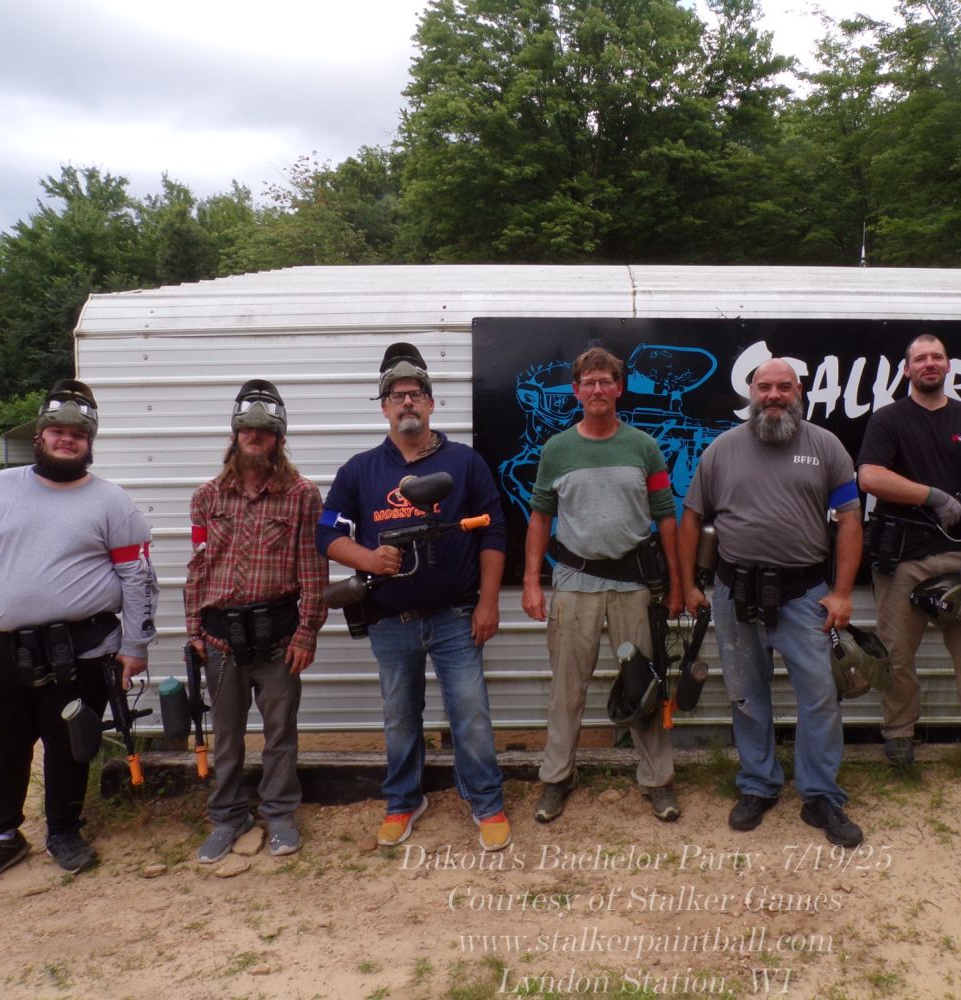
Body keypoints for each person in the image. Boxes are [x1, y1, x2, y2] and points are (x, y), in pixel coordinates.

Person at [317, 343, 511, 852]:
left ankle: (486, 802)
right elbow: (326, 533)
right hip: (389, 619)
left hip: (456, 616)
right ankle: (403, 800)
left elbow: (493, 532)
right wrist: (368, 559)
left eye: (416, 394)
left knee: (471, 713)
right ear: (384, 407)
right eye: (397, 395)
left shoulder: (464, 462)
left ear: (431, 404)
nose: (407, 402)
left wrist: (489, 602)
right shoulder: (359, 470)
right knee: (400, 718)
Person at [680, 358, 864, 847]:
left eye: (784, 387)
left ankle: (820, 795)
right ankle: (758, 784)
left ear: (798, 392)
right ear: (752, 392)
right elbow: (691, 517)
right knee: (746, 695)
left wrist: (843, 593)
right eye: (765, 387)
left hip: (805, 596)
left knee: (820, 696)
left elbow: (850, 519)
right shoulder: (721, 450)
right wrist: (689, 585)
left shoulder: (826, 447)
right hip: (734, 594)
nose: (774, 395)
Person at [0, 380, 157, 884]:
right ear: (40, 435)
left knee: (69, 744)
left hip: (80, 650)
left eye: (77, 435)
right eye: (57, 431)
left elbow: (138, 578)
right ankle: (4, 836)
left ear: (89, 443)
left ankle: (63, 830)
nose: (66, 440)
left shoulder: (111, 502)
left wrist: (135, 645)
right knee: (3, 744)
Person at [521, 347, 683, 824]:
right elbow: (540, 517)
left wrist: (676, 584)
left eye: (605, 381)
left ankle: (658, 781)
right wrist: (531, 581)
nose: (597, 389)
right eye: (588, 382)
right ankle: (557, 778)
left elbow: (666, 516)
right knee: (566, 689)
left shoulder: (644, 447)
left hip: (634, 586)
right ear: (576, 391)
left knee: (644, 687)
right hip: (574, 584)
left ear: (619, 388)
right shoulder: (556, 450)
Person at [857, 334, 961, 791]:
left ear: (949, 366)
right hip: (903, 557)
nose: (929, 363)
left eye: (937, 357)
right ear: (907, 370)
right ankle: (899, 735)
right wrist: (934, 496)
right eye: (920, 358)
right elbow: (869, 476)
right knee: (895, 656)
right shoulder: (888, 419)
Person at [185, 380, 328, 863]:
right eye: (247, 430)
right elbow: (198, 566)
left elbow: (314, 569)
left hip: (279, 637)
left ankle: (280, 814)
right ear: (234, 435)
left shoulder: (302, 496)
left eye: (265, 433)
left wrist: (307, 632)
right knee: (226, 736)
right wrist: (194, 629)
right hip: (220, 639)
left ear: (279, 439)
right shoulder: (206, 497)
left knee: (280, 732)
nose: (255, 437)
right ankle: (228, 816)